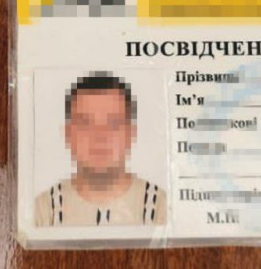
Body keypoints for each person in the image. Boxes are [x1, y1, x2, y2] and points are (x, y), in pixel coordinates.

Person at [35, 72, 166, 227]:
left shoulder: (161, 208)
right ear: (68, 134)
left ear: (131, 133)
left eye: (113, 123)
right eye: (86, 123)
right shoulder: (43, 212)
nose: (100, 136)